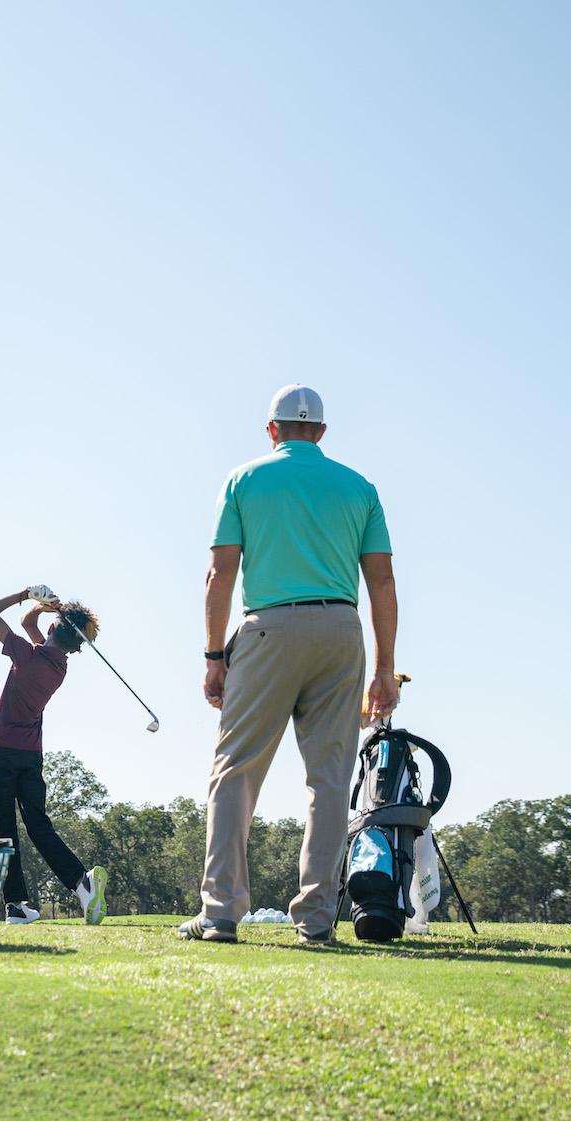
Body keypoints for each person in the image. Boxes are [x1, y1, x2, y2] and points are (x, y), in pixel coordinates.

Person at [179, 384, 400, 946]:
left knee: (236, 770)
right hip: (341, 631)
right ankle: (318, 921)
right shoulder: (359, 487)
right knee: (329, 781)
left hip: (267, 629)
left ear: (271, 429)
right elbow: (381, 582)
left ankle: (221, 912)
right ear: (321, 434)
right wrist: (384, 668)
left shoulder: (243, 480)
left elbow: (220, 575)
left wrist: (212, 656)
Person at [0, 585, 108, 925]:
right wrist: (42, 606)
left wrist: (27, 594)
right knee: (38, 824)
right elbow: (27, 623)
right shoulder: (56, 665)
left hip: (3, 749)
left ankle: (17, 906)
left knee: (2, 829)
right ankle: (82, 882)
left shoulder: (28, 655)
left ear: (53, 628)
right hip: (30, 756)